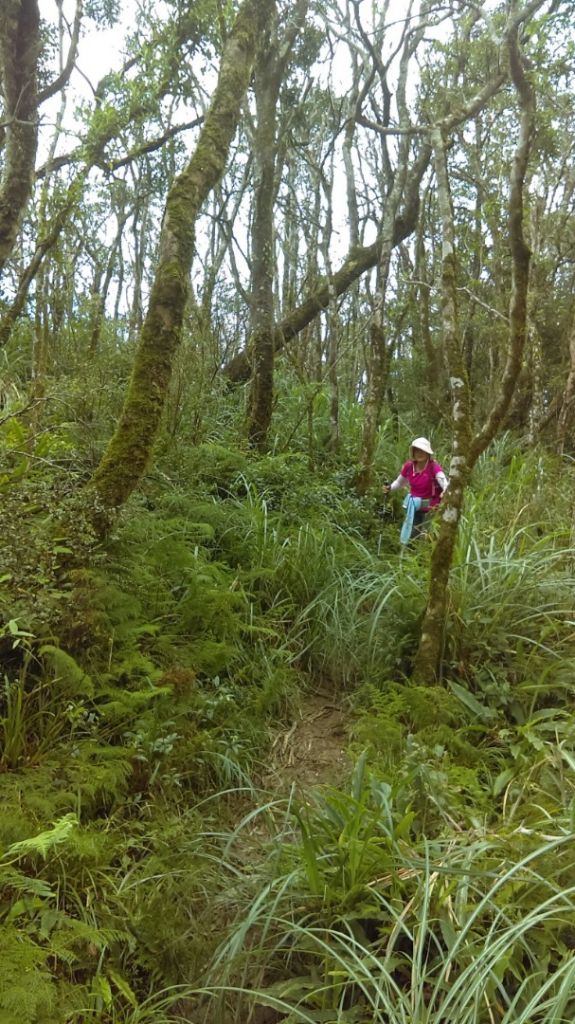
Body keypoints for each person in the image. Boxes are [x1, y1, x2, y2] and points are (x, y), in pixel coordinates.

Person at [383, 437, 448, 543]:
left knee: (428, 536)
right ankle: (408, 554)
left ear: (428, 453)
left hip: (432, 508)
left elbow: (444, 483)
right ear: (413, 452)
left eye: (423, 451)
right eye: (417, 450)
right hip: (414, 507)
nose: (419, 453)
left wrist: (446, 491)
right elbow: (400, 482)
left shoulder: (433, 467)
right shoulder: (409, 466)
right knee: (413, 535)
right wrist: (390, 488)